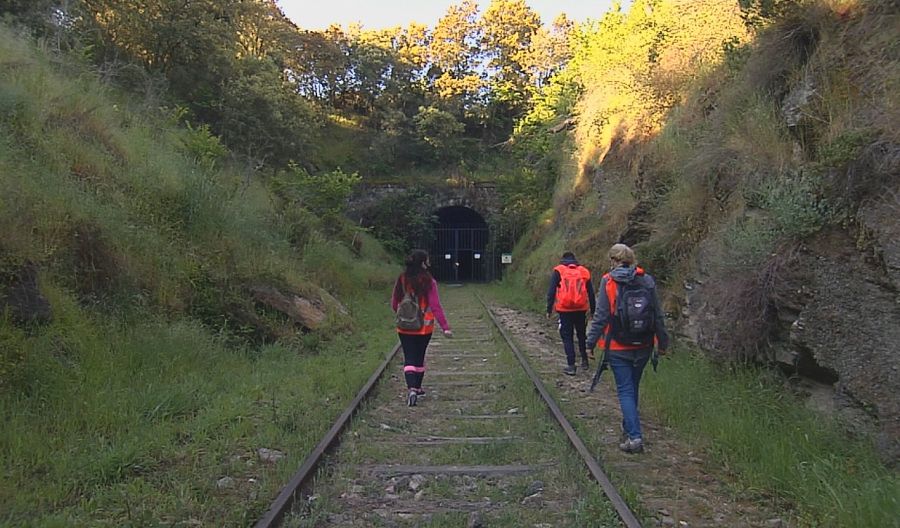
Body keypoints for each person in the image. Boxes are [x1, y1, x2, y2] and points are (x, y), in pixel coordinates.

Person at [586, 244, 668, 454]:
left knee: (625, 390)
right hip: (643, 344)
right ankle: (628, 426)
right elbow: (658, 315)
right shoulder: (647, 280)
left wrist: (590, 343)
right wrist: (663, 343)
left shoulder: (608, 281)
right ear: (632, 260)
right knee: (633, 386)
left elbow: (601, 316)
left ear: (613, 260)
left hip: (617, 345)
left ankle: (634, 436)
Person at [391, 249, 452, 407]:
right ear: (423, 262)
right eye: (427, 260)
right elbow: (435, 305)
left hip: (404, 326)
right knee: (419, 356)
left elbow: (394, 302)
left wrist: (403, 315)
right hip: (424, 327)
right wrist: (445, 327)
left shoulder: (402, 279)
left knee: (409, 356)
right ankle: (417, 387)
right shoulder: (428, 281)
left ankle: (411, 388)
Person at [547, 251, 596, 376]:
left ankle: (571, 365)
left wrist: (549, 309)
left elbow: (551, 291)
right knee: (581, 334)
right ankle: (584, 361)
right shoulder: (584, 271)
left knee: (567, 336)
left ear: (562, 260)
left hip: (564, 310)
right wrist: (593, 311)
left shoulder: (559, 270)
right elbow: (591, 293)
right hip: (581, 308)